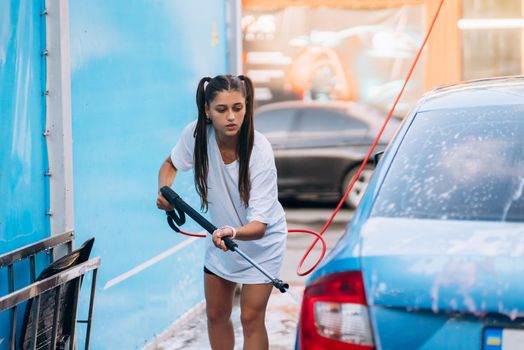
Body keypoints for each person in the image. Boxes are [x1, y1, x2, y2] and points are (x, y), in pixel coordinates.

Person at [156, 75, 287, 350]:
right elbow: (170, 163)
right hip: (219, 236)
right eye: (221, 109)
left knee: (250, 318)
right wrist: (164, 192)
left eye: (238, 108)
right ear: (207, 110)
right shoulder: (197, 135)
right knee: (216, 315)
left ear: (246, 106)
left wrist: (233, 232)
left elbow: (260, 226)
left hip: (261, 241)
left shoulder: (259, 150)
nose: (231, 117)